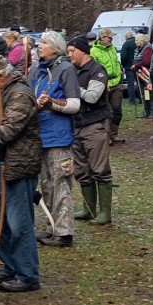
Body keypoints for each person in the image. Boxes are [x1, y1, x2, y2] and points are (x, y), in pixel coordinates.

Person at [0, 55, 42, 293]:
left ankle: (27, 274)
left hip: (17, 167)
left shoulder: (21, 95)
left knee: (18, 223)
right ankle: (11, 266)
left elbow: (7, 132)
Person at [28, 32, 80, 247]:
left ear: (56, 47)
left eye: (45, 43)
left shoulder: (66, 69)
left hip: (58, 136)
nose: (40, 46)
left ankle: (64, 232)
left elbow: (75, 104)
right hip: (38, 135)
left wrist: (51, 103)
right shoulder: (35, 69)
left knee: (60, 183)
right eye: (40, 42)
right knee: (46, 184)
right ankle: (52, 227)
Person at [66, 36, 113, 224]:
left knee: (99, 169)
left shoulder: (97, 71)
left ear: (83, 51)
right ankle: (89, 209)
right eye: (68, 51)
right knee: (81, 170)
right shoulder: (72, 71)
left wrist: (73, 87)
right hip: (76, 124)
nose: (69, 55)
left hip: (94, 124)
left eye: (72, 51)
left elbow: (93, 97)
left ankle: (105, 213)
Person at [90, 28, 124, 144]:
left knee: (117, 110)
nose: (111, 39)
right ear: (102, 38)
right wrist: (102, 83)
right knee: (106, 111)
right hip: (104, 84)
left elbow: (116, 63)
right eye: (110, 37)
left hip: (116, 82)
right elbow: (93, 69)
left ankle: (114, 134)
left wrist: (119, 75)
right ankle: (106, 136)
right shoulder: (94, 51)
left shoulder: (113, 48)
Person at [132, 33, 153, 118]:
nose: (135, 42)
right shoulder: (138, 49)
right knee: (144, 93)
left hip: (147, 74)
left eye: (137, 40)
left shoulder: (148, 48)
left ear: (142, 41)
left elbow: (147, 61)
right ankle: (147, 111)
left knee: (149, 92)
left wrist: (137, 65)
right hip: (140, 74)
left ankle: (152, 111)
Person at [120, 31, 138, 106]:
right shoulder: (137, 42)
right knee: (140, 83)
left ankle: (132, 100)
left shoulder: (126, 44)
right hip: (138, 66)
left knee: (130, 84)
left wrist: (123, 65)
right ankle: (142, 98)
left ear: (126, 37)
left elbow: (123, 56)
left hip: (128, 67)